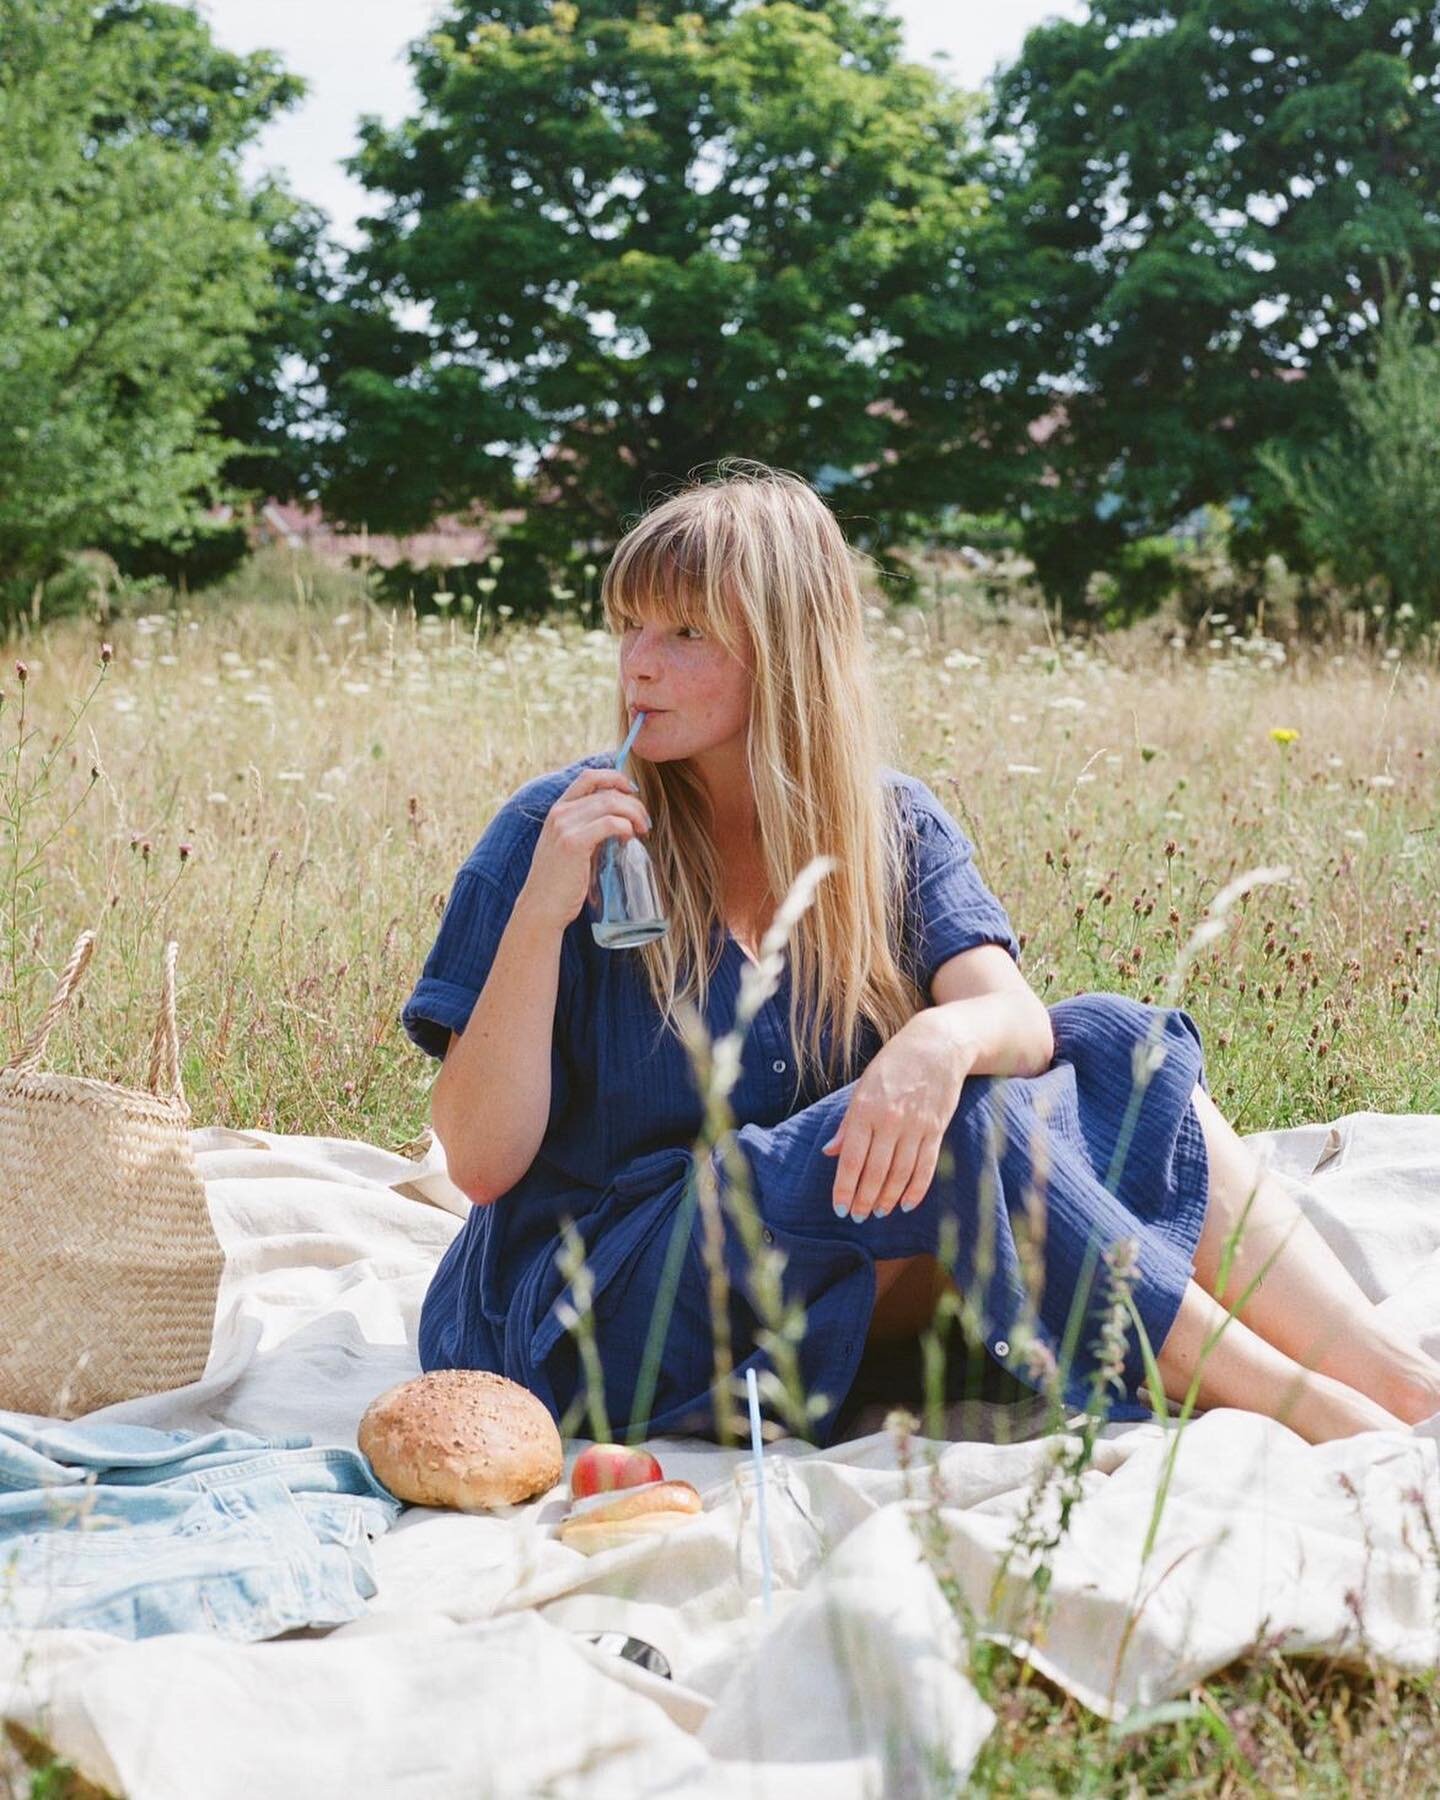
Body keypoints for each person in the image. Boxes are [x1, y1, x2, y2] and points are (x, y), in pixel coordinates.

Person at [401, 463, 1440, 1449]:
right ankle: (1325, 1422)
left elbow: (1020, 1025)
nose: (638, 662)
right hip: (596, 1306)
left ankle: (1393, 1379)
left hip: (827, 1286)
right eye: (628, 624)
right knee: (971, 1135)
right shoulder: (560, 829)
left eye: (684, 632)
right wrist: (542, 912)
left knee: (1112, 1041)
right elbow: (482, 1165)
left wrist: (938, 1040)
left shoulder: (886, 825)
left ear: (789, 647)